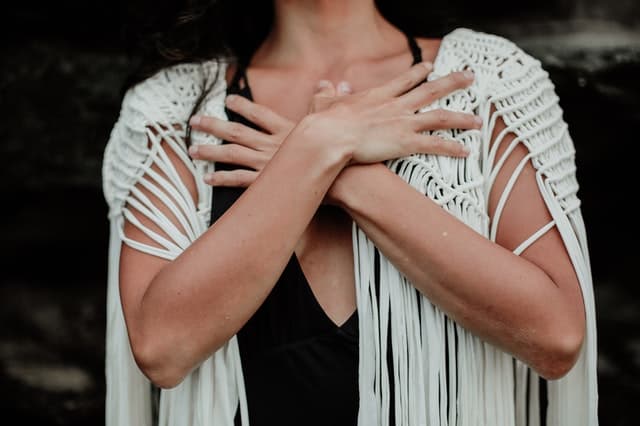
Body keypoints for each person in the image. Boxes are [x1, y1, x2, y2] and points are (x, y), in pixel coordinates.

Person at [101, 1, 599, 425]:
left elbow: (555, 335)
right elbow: (162, 347)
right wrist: (317, 144)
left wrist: (337, 171)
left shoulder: (487, 79)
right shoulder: (173, 107)